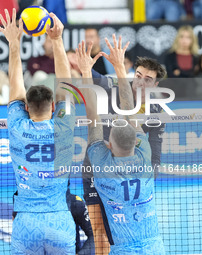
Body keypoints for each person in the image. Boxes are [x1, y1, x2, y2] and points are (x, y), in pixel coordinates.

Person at [77, 36, 165, 254]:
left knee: (121, 231)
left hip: (127, 177)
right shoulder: (111, 86)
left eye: (147, 79)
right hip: (95, 167)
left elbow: (154, 154)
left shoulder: (156, 112)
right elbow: (92, 79)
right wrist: (82, 66)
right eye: (138, 76)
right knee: (98, 230)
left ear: (155, 85)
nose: (141, 82)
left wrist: (140, 180)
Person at [0, 8, 76, 254]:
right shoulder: (63, 124)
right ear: (54, 106)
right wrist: (57, 40)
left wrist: (14, 43)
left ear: (25, 107)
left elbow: (15, 84)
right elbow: (66, 84)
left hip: (26, 224)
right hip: (60, 222)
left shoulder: (18, 126)